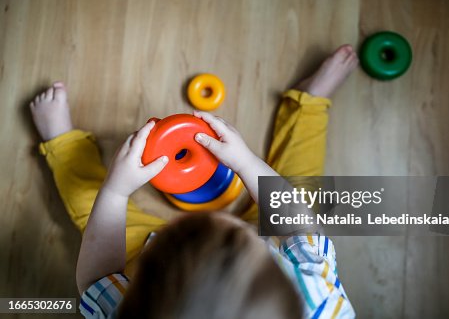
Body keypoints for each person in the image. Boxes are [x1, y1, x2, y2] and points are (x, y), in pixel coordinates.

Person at [30, 45, 358, 318]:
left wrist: (116, 190)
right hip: (273, 233)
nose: (212, 220)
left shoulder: (127, 311)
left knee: (94, 210)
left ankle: (64, 143)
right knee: (300, 195)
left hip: (139, 250)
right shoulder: (318, 301)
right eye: (237, 238)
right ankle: (308, 104)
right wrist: (246, 162)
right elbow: (298, 224)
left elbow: (96, 277)